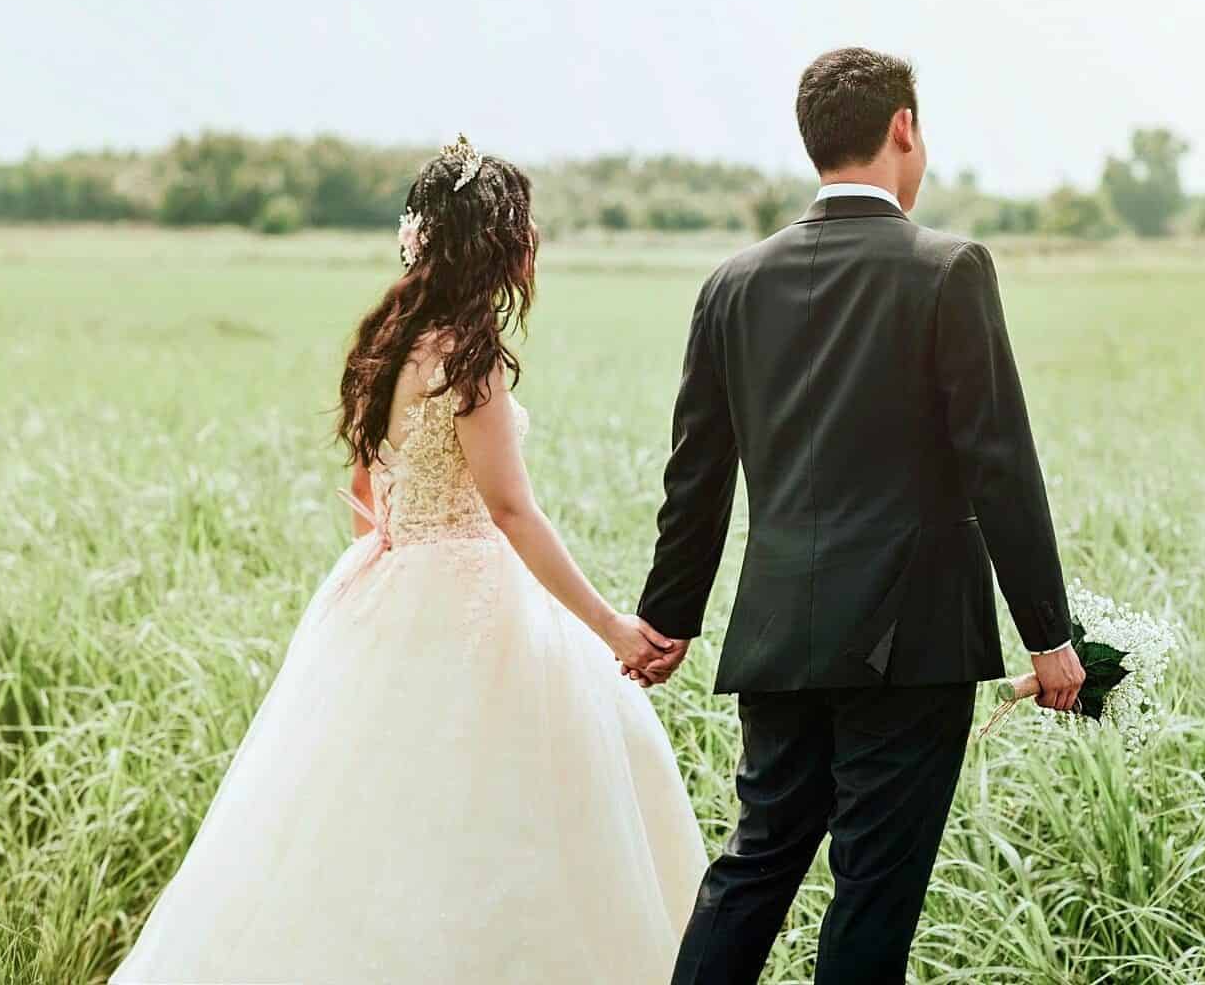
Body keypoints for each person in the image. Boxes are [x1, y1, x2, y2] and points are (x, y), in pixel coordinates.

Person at [111, 137, 705, 984]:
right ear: (495, 245)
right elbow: (511, 510)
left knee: (361, 823)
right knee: (497, 823)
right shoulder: (470, 361)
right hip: (470, 589)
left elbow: (364, 491)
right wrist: (612, 626)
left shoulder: (387, 342)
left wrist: (396, 562)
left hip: (385, 583)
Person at [630, 48, 1086, 984]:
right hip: (910, 647)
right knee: (871, 897)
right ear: (903, 128)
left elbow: (698, 475)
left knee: (754, 870)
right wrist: (1049, 634)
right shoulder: (949, 268)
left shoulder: (733, 283)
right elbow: (999, 464)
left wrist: (669, 619)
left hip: (776, 637)